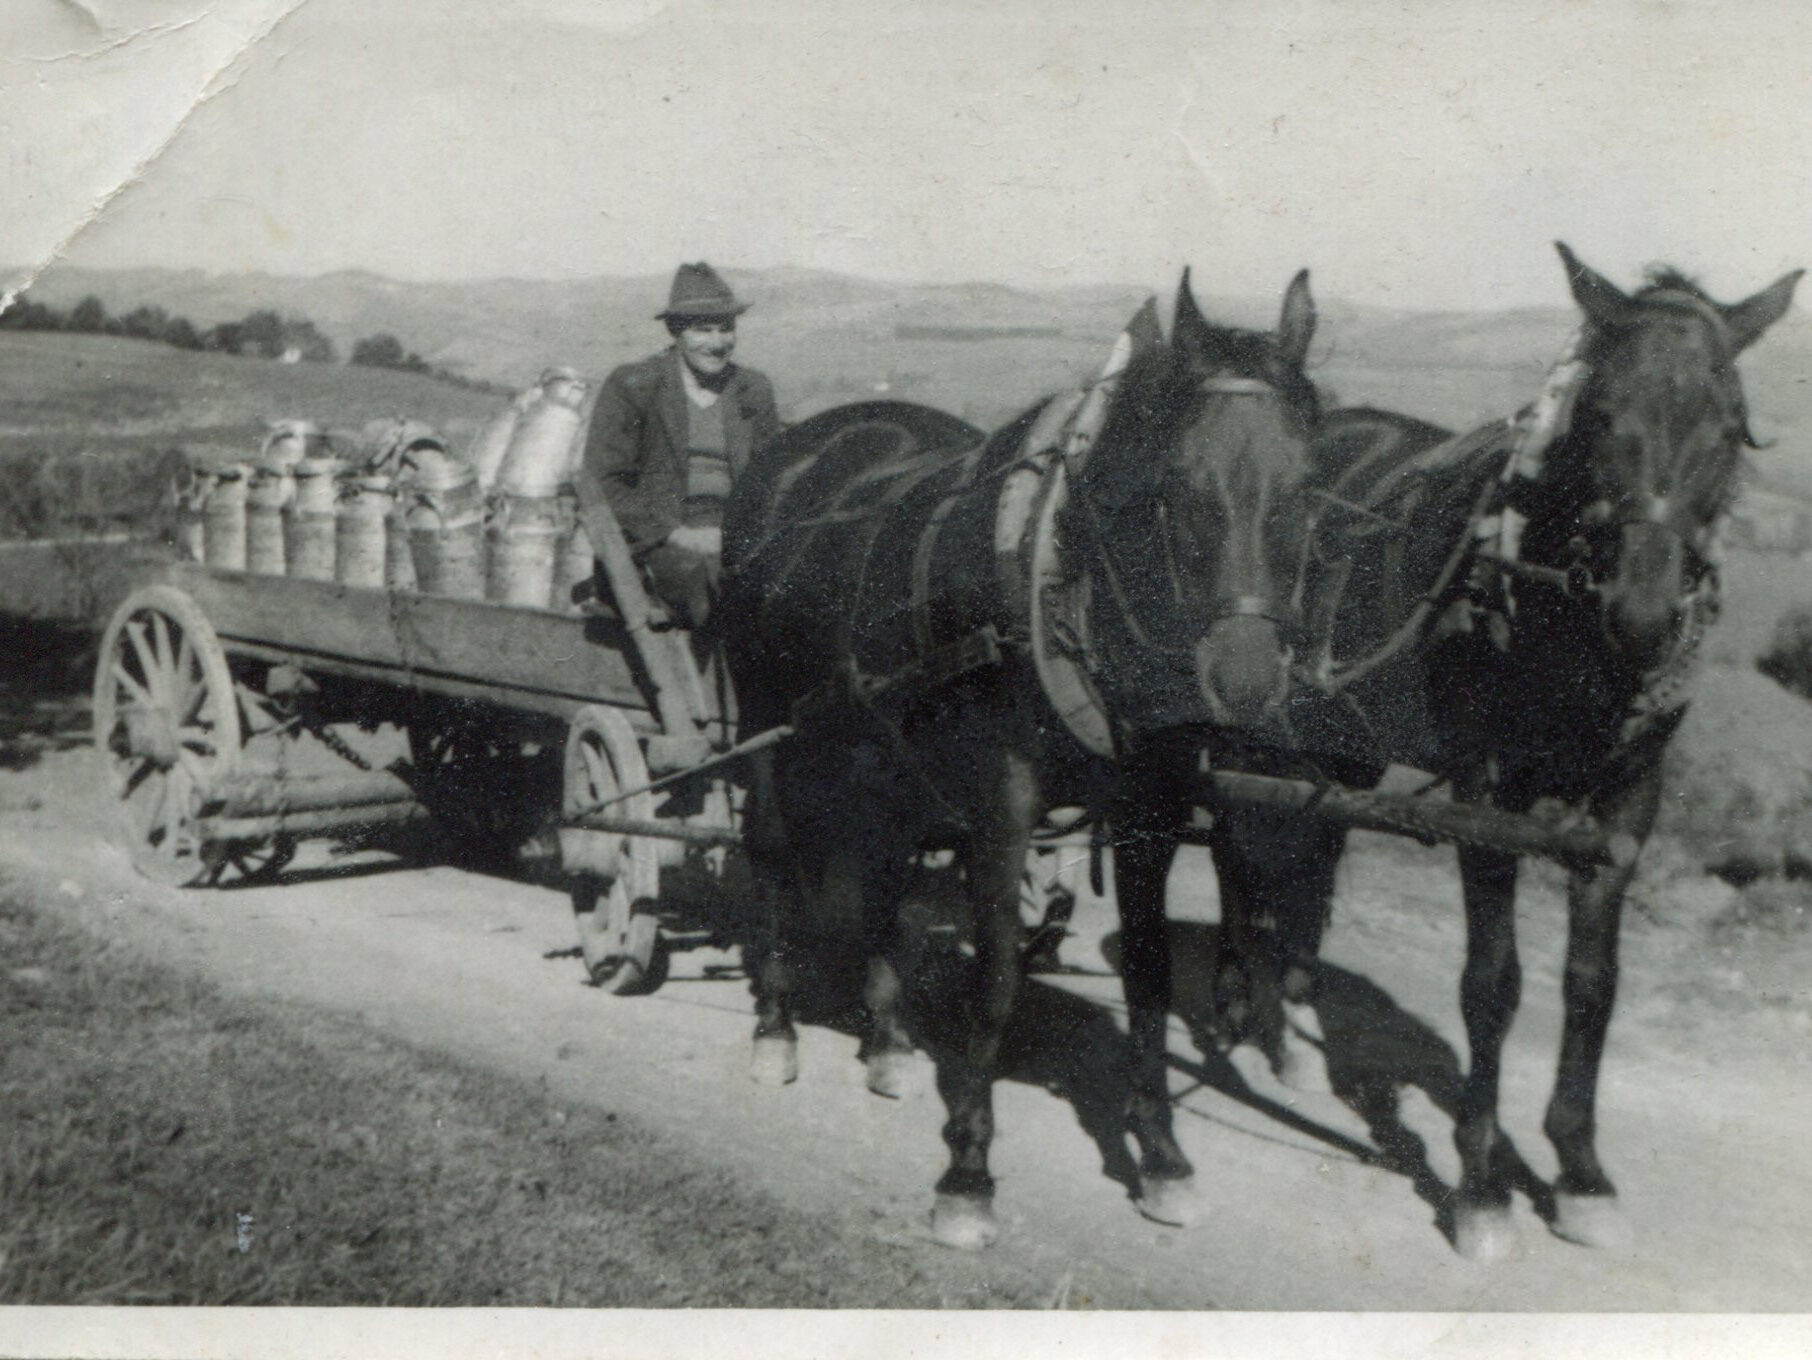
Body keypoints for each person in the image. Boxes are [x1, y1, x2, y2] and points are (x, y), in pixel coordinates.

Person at [573, 262, 781, 631]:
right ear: (676, 331)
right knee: (721, 594)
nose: (718, 343)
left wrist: (737, 536)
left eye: (726, 328)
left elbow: (771, 479)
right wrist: (676, 534)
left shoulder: (752, 389)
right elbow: (604, 483)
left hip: (734, 539)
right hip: (657, 543)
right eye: (703, 330)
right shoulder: (635, 385)